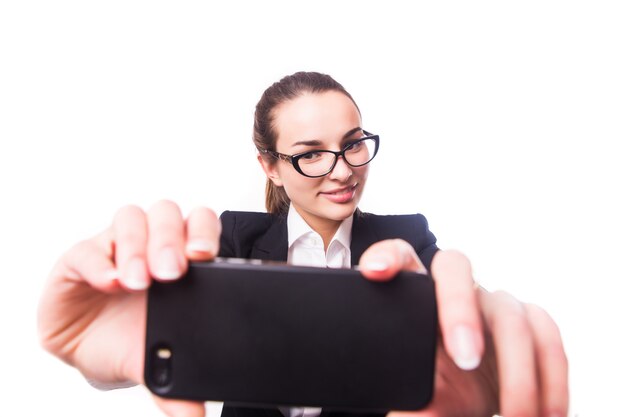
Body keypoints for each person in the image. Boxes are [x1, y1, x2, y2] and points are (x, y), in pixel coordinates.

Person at [37, 72, 569, 417]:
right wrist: (99, 352)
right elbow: (131, 356)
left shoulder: (409, 240)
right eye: (311, 154)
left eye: (353, 145)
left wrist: (487, 344)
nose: (342, 171)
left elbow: (461, 317)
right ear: (269, 164)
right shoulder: (227, 242)